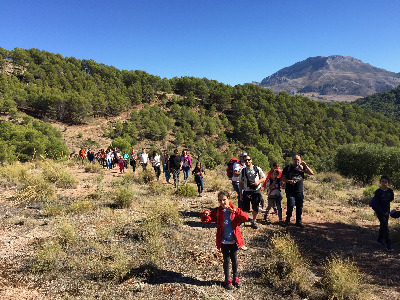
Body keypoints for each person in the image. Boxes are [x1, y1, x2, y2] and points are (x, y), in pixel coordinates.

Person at [201, 191, 248, 290]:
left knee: (234, 259)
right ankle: (227, 279)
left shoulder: (234, 210)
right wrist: (205, 214)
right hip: (224, 241)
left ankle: (236, 278)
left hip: (234, 240)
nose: (222, 202)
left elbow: (245, 217)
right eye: (220, 200)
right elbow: (208, 218)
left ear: (229, 199)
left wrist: (235, 211)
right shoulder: (218, 211)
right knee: (226, 260)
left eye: (224, 200)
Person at [281, 154, 314, 228]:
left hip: (299, 190)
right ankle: (288, 219)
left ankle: (298, 222)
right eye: (295, 159)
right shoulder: (288, 168)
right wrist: (289, 181)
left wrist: (306, 166)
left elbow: (311, 173)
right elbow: (282, 178)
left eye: (298, 159)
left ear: (300, 160)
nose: (296, 161)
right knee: (291, 205)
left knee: (299, 206)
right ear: (292, 160)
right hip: (290, 190)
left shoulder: (302, 168)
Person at [239, 155, 266, 229]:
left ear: (251, 160)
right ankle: (244, 220)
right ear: (244, 162)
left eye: (248, 160)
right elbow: (240, 182)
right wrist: (240, 193)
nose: (247, 161)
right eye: (245, 160)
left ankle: (254, 221)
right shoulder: (243, 170)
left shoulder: (257, 169)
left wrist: (258, 182)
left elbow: (264, 177)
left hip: (255, 191)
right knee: (245, 208)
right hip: (246, 191)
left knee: (255, 207)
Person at [372, 176, 394, 252]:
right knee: (385, 226)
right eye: (383, 182)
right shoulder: (378, 192)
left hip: (387, 211)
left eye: (386, 182)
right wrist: (383, 212)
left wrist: (387, 211)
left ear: (388, 183)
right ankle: (388, 245)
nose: (384, 183)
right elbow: (377, 204)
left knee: (383, 225)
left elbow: (391, 199)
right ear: (380, 182)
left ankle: (379, 240)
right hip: (380, 212)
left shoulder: (390, 191)